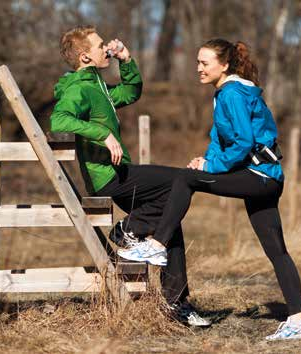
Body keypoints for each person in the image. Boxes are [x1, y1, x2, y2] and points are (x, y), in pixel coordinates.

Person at [118, 38, 301, 340]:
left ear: (224, 65)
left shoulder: (233, 93)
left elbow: (244, 142)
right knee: (277, 250)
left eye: (204, 62)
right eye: (197, 61)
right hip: (267, 177)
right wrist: (206, 160)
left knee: (185, 179)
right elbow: (219, 139)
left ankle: (157, 246)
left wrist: (210, 167)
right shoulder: (225, 93)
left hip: (258, 176)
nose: (198, 68)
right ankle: (299, 322)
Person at [50, 25, 210, 327]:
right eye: (100, 46)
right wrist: (102, 134)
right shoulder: (79, 88)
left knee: (170, 222)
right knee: (181, 180)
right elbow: (60, 118)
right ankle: (127, 229)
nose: (105, 49)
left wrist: (126, 60)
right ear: (85, 56)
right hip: (107, 177)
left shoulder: (98, 85)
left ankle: (178, 305)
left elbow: (130, 92)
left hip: (120, 170)